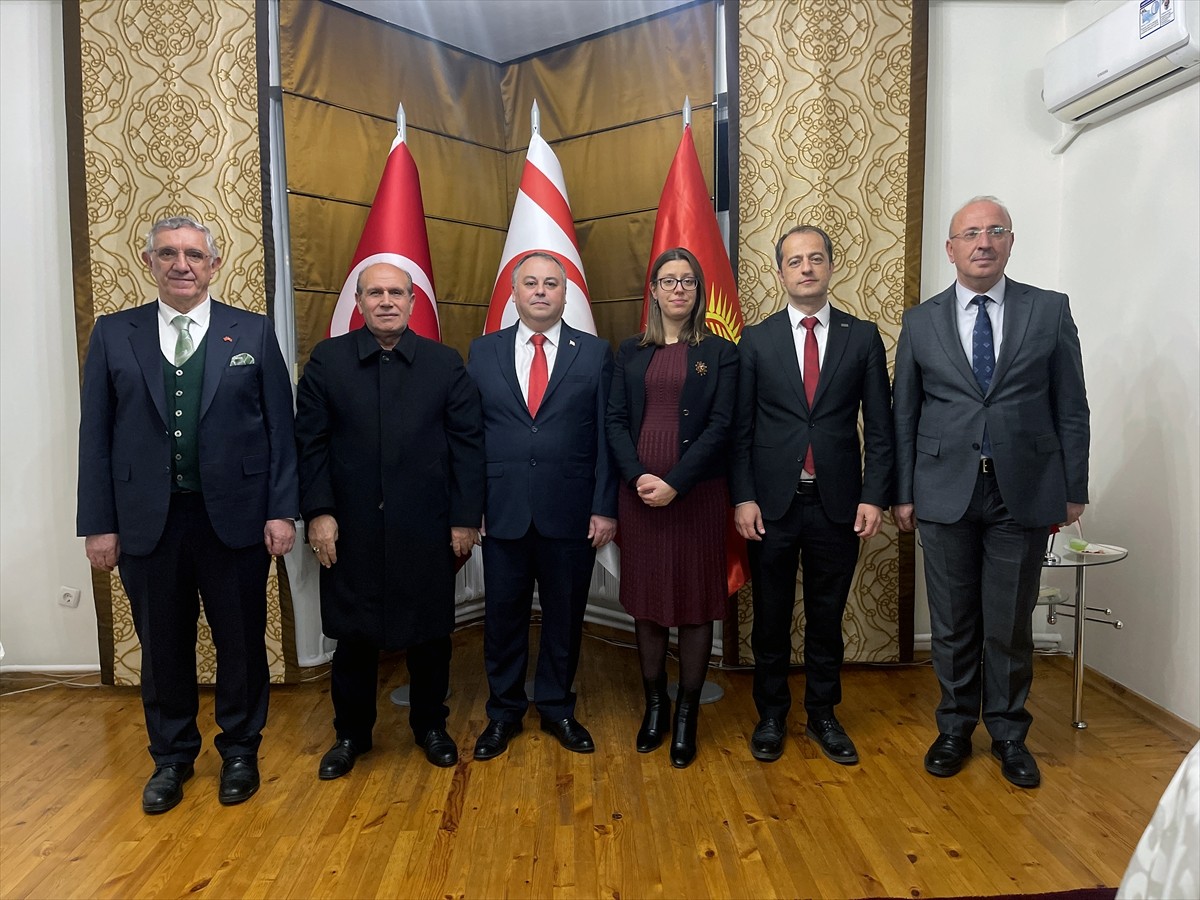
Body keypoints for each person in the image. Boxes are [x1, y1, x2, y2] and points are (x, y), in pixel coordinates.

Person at [77, 215, 298, 814]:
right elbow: (94, 435)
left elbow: (281, 429)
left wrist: (283, 511)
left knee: (241, 643)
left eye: (194, 255)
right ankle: (172, 757)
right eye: (169, 254)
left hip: (237, 521)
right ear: (148, 261)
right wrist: (99, 522)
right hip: (148, 522)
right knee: (163, 646)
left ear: (214, 265)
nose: (182, 265)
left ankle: (240, 751)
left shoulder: (249, 333)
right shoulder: (114, 334)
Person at [893, 196, 1089, 789]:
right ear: (950, 249)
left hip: (1023, 491)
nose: (983, 242)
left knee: (1008, 622)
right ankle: (954, 728)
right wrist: (903, 492)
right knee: (953, 622)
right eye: (970, 233)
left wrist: (1073, 488)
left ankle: (1008, 734)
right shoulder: (920, 321)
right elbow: (905, 414)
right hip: (943, 489)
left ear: (1010, 242)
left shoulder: (1049, 311)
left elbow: (1071, 407)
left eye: (995, 231)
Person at [294, 263, 484, 776]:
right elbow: (308, 446)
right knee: (353, 639)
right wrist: (319, 513)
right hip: (348, 529)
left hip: (427, 527)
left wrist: (466, 519)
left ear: (412, 303)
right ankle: (351, 735)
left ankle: (431, 726)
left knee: (429, 635)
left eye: (396, 292)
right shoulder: (328, 362)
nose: (386, 301)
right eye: (374, 293)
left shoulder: (444, 365)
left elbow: (468, 447)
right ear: (358, 303)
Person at [732, 225, 893, 766]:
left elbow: (881, 427)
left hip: (838, 503)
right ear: (780, 272)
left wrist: (874, 496)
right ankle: (772, 715)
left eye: (815, 258)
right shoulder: (755, 339)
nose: (806, 268)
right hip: (772, 505)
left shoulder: (862, 335)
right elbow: (742, 428)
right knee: (772, 618)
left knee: (827, 618)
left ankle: (824, 714)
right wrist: (744, 497)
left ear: (830, 267)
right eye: (795, 261)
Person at [467, 251, 618, 760]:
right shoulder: (482, 352)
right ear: (513, 292)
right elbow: (470, 437)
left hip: (572, 511)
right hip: (502, 509)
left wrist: (605, 507)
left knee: (564, 618)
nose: (540, 291)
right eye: (529, 283)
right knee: (503, 619)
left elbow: (604, 435)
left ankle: (556, 707)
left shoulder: (594, 353)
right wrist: (472, 506)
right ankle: (503, 713)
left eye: (550, 283)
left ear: (565, 293)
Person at [605, 247, 738, 769]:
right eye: (668, 280)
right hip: (639, 495)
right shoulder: (630, 350)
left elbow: (722, 426)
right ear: (654, 291)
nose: (678, 288)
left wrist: (676, 483)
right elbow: (615, 419)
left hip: (697, 495)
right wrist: (640, 477)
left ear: (698, 290)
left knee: (696, 603)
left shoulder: (722, 352)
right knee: (649, 602)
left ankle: (687, 715)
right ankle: (654, 706)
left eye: (687, 280)